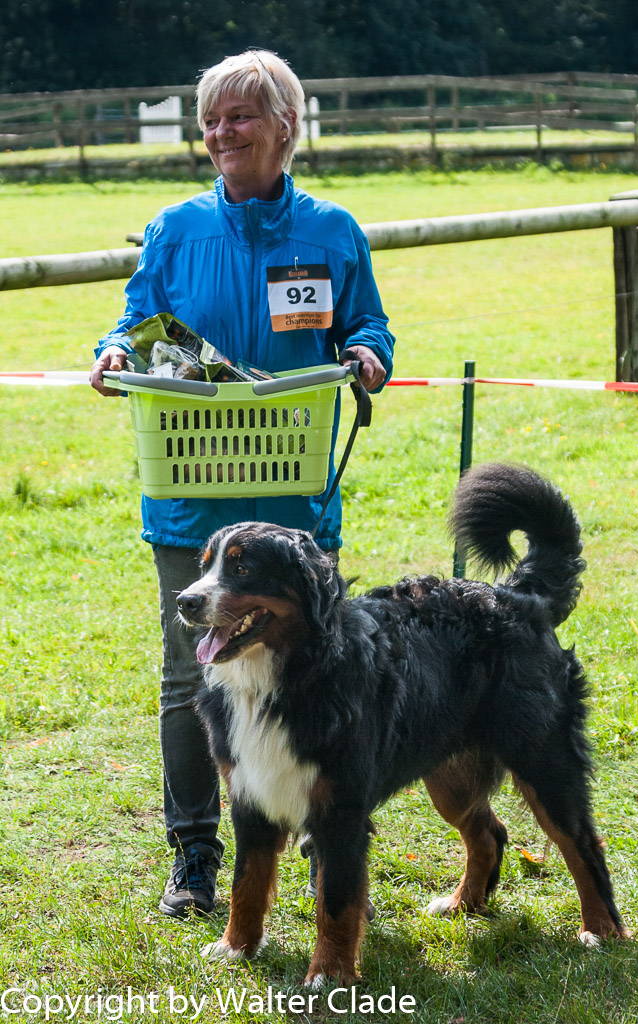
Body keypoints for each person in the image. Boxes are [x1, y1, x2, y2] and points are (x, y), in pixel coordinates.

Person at [90, 49, 394, 918]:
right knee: (192, 678)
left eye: (240, 116)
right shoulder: (175, 228)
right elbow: (135, 322)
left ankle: (324, 844)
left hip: (293, 505)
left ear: (285, 126)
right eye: (211, 119)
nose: (221, 133)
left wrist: (367, 351)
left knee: (319, 674)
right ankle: (194, 854)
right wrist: (112, 352)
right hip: (190, 497)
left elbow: (368, 322)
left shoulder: (331, 231)